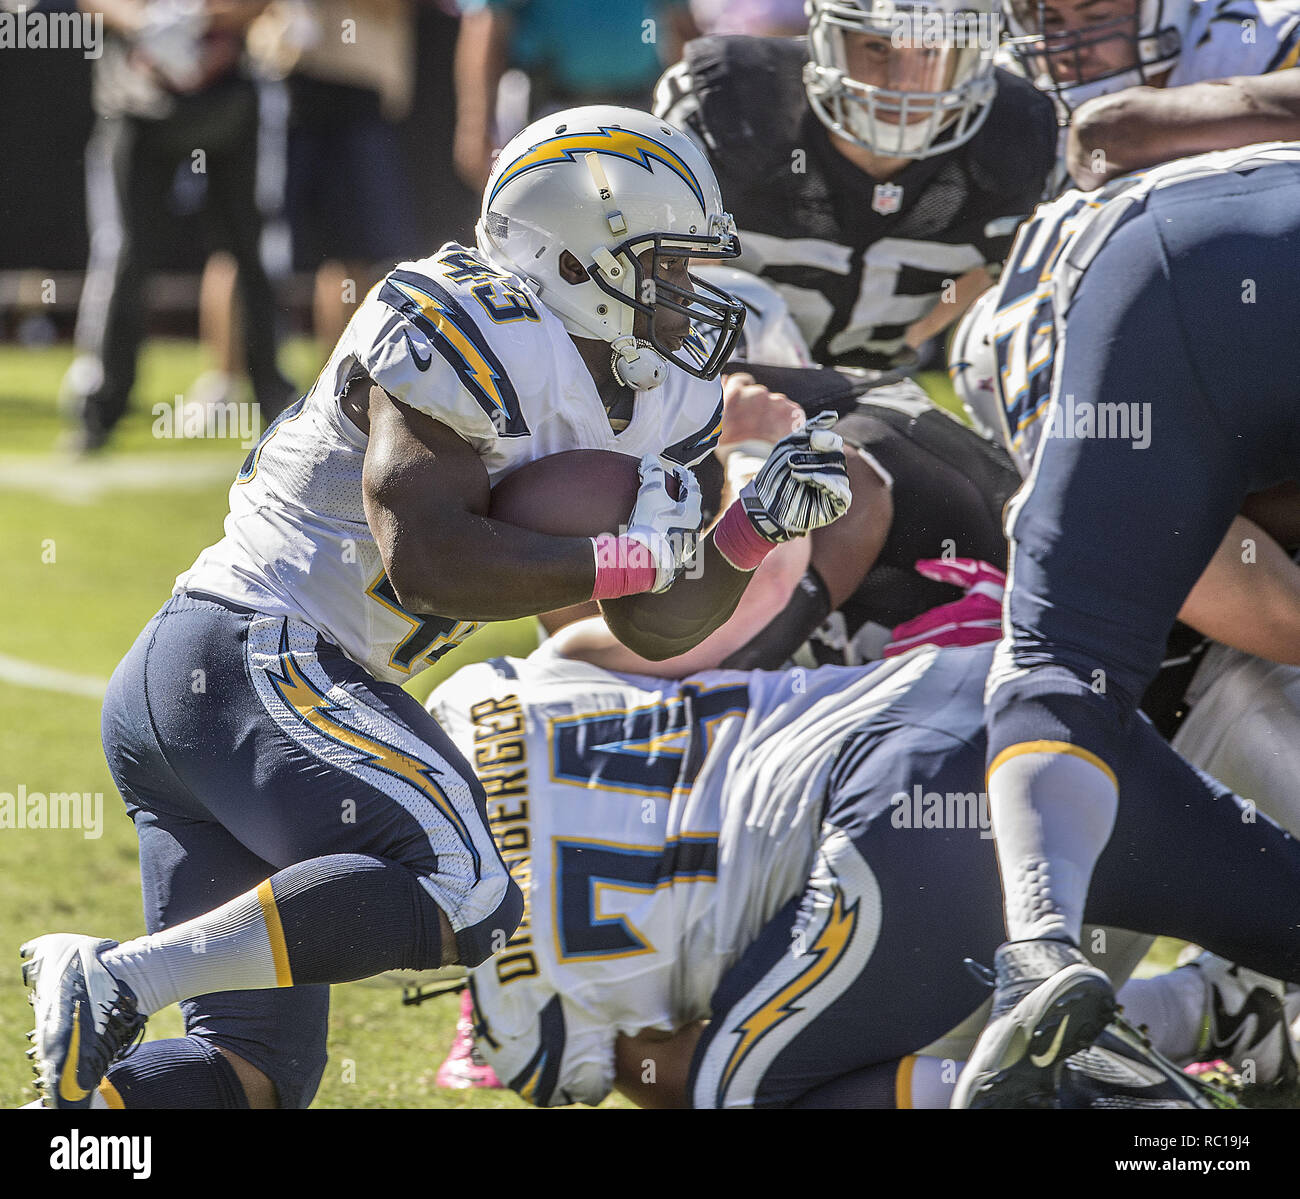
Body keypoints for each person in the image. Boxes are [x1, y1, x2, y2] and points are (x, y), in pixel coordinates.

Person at [17, 105, 852, 1110]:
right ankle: (118, 974)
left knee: (248, 1077)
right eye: (666, 262)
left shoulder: (660, 389)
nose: (687, 289)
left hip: (260, 693)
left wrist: (748, 528)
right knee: (466, 889)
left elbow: (653, 622)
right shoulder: (460, 313)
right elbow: (430, 559)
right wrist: (631, 553)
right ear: (576, 255)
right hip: (251, 652)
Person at [426, 635, 1300, 1108]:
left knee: (741, 1093)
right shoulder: (476, 695)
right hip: (990, 692)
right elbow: (711, 630)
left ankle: (1092, 1093)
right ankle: (1193, 1019)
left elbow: (681, 1076)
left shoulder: (521, 1020)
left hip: (894, 846)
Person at [945, 141, 1300, 1107]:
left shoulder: (1092, 312)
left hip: (1167, 268)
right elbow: (1246, 598)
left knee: (1060, 659)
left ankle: (1040, 946)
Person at [653, 0, 1057, 370]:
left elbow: (990, 278)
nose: (902, 82)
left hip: (872, 382)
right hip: (710, 371)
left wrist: (877, 367)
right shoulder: (735, 102)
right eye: (878, 48)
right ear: (832, 43)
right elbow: (667, 270)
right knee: (744, 303)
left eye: (930, 52)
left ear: (966, 59)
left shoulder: (1018, 133)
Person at [61, 0, 296, 453]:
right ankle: (100, 407)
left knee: (251, 251)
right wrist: (145, 23)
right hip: (136, 101)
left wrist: (204, 19)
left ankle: (277, 405)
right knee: (124, 254)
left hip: (227, 107)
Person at [999, 0, 1300, 185]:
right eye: (1050, 20)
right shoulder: (1014, 95)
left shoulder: (1252, 40)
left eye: (1098, 15)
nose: (1067, 46)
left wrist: (1136, 128)